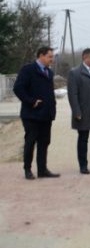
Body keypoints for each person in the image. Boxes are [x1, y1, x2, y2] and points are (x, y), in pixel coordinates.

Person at [13, 46, 60, 179]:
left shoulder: (49, 73)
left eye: (52, 57)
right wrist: (31, 101)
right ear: (41, 55)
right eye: (50, 56)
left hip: (46, 114)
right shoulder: (28, 70)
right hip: (31, 114)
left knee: (44, 142)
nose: (52, 59)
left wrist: (53, 107)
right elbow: (18, 88)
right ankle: (27, 169)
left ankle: (42, 169)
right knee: (30, 142)